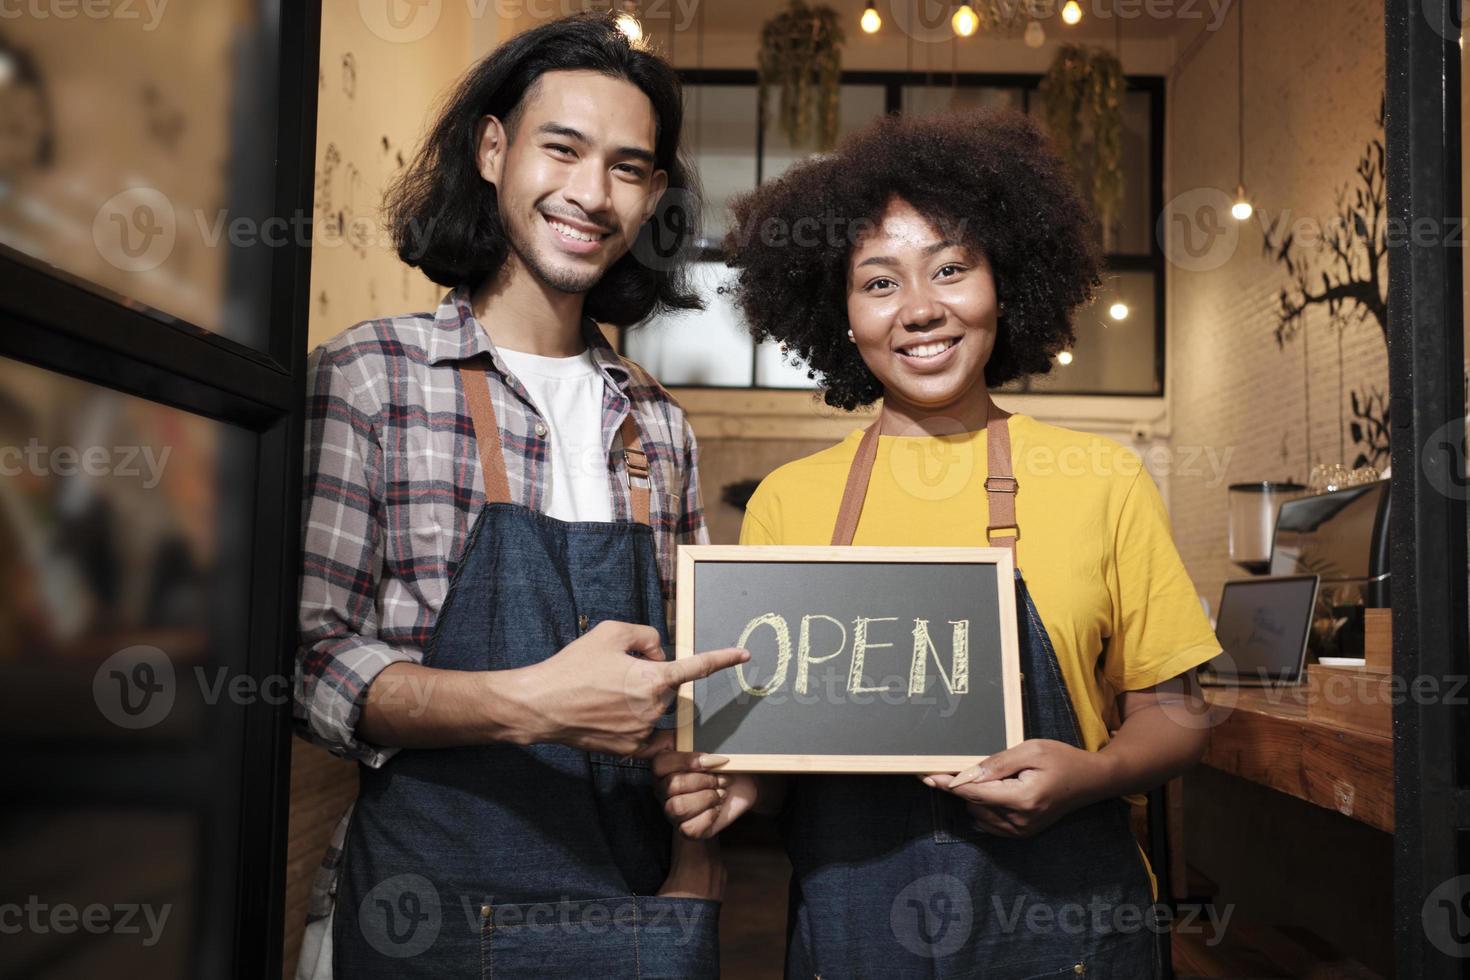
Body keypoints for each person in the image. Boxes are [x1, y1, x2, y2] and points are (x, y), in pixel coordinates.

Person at [654, 108, 1222, 978]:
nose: (921, 309)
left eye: (952, 269)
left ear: (1005, 282)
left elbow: (1176, 714)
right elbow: (770, 749)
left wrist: (1090, 776)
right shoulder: (787, 505)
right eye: (879, 283)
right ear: (840, 314)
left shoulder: (1102, 479)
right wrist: (737, 786)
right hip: (855, 936)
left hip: (1070, 936)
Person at [293, 14, 746, 978]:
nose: (591, 192)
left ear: (653, 193)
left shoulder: (656, 424)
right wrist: (531, 703)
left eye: (628, 167)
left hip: (631, 918)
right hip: (421, 912)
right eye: (562, 148)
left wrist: (700, 848)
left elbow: (693, 710)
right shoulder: (372, 378)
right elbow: (307, 663)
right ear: (494, 149)